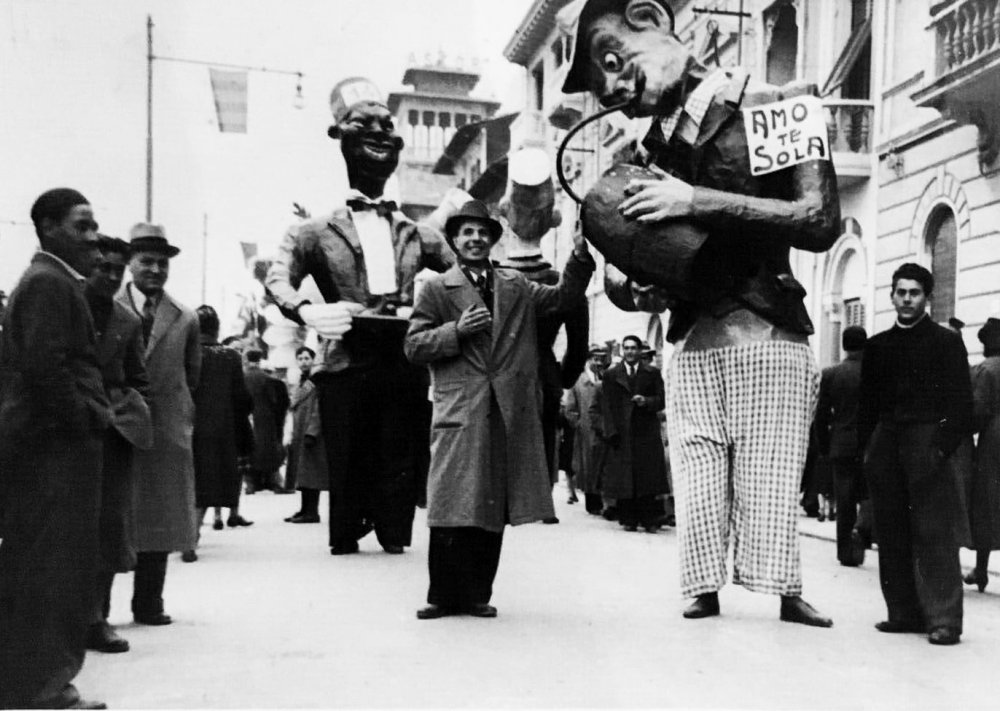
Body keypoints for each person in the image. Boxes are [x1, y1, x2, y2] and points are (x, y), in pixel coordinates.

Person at [562, 0, 840, 626]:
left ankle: (782, 585)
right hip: (689, 342)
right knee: (695, 472)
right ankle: (701, 584)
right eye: (605, 87)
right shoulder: (646, 152)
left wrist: (694, 199)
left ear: (650, 17)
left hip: (769, 329)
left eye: (614, 61)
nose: (616, 89)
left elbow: (820, 221)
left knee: (772, 468)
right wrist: (632, 285)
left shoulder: (775, 100)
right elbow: (624, 280)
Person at [266, 76, 466, 556]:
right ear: (341, 138)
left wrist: (437, 310)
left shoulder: (418, 233)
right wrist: (310, 310)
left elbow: (467, 278)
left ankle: (393, 530)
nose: (379, 134)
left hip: (403, 358)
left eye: (386, 126)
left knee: (400, 449)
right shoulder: (312, 231)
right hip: (346, 358)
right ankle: (347, 529)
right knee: (348, 452)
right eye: (363, 124)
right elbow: (278, 280)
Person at [404, 199, 595, 619]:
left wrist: (580, 255)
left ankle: (476, 594)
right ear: (454, 240)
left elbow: (564, 299)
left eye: (482, 233)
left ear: (493, 239)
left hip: (506, 410)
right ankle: (441, 595)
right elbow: (414, 346)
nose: (474, 239)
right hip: (461, 409)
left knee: (492, 501)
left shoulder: (516, 285)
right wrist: (456, 331)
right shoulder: (437, 287)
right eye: (466, 232)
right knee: (451, 501)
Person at [0, 188, 110, 709]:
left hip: (47, 448)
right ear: (48, 228)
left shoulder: (52, 281)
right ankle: (46, 684)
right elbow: (47, 369)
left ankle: (29, 679)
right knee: (53, 566)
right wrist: (85, 420)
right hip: (55, 451)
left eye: (93, 226)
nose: (93, 237)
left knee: (38, 562)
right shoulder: (48, 283)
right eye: (81, 226)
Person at [859, 263, 973, 646]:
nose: (907, 299)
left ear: (928, 298)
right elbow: (867, 406)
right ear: (892, 296)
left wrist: (940, 447)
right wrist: (868, 452)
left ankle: (944, 620)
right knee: (891, 532)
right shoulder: (877, 347)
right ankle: (903, 612)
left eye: (915, 293)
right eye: (901, 292)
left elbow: (961, 403)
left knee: (935, 533)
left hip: (927, 441)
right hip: (887, 442)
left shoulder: (945, 342)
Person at [496, 148, 590, 523]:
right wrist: (562, 376)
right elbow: (579, 346)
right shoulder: (559, 283)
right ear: (554, 219)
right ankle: (541, 501)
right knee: (544, 435)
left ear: (504, 211)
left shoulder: (495, 279)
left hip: (502, 369)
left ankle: (504, 498)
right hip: (544, 371)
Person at [117, 223, 201, 625]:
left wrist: (180, 418)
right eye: (146, 261)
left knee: (160, 516)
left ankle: (149, 603)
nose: (154, 270)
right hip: (117, 427)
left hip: (166, 428)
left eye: (162, 263)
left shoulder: (184, 317)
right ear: (130, 263)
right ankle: (95, 613)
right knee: (114, 516)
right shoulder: (105, 305)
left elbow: (192, 373)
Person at [83, 235, 153, 653]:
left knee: (109, 528)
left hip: (111, 437)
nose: (109, 276)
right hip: (68, 432)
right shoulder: (64, 305)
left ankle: (98, 619)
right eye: (102, 267)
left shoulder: (127, 321)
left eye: (117, 269)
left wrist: (124, 409)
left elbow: (139, 379)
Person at [186, 305, 253, 562]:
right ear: (217, 329)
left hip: (188, 424)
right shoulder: (230, 357)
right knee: (207, 481)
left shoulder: (185, 353)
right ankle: (192, 537)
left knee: (188, 480)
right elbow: (242, 399)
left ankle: (187, 535)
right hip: (220, 430)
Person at [596, 335, 669, 532]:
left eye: (634, 348)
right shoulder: (612, 375)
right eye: (627, 348)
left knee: (646, 477)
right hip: (622, 433)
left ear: (640, 351)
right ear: (622, 351)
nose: (630, 352)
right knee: (625, 478)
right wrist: (610, 431)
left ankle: (648, 519)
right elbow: (606, 405)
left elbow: (662, 399)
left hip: (645, 431)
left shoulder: (652, 373)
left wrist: (646, 401)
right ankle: (628, 518)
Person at [814, 325, 873, 566]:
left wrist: (825, 446)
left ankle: (845, 552)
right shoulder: (876, 374)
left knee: (845, 498)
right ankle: (862, 531)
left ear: (844, 345)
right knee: (869, 495)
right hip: (870, 445)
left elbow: (821, 416)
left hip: (841, 444)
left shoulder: (830, 374)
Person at [963, 318, 1000, 592]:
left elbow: (978, 411)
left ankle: (981, 568)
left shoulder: (985, 370)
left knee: (986, 503)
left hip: (994, 441)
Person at [564, 344, 611, 515]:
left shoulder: (607, 377)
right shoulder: (579, 381)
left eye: (601, 359)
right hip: (587, 432)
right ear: (588, 359)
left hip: (606, 428)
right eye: (595, 358)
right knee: (590, 466)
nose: (599, 362)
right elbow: (569, 409)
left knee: (606, 464)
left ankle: (607, 502)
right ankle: (593, 503)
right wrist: (579, 424)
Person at [285, 346, 329, 524]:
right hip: (299, 432)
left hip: (310, 434)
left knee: (311, 475)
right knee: (302, 474)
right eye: (300, 358)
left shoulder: (317, 381)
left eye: (307, 358)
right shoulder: (301, 381)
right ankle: (304, 509)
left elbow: (318, 408)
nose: (304, 361)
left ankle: (312, 511)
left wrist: (312, 432)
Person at [243, 349, 290, 495]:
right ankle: (273, 481)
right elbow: (279, 401)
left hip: (248, 417)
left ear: (246, 359)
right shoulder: (268, 377)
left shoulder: (242, 377)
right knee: (268, 448)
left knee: (248, 449)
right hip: (266, 418)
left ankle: (251, 483)